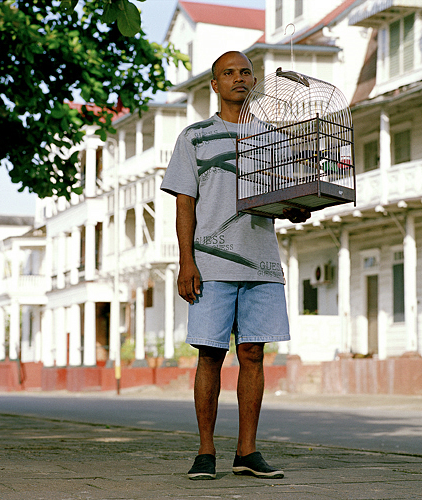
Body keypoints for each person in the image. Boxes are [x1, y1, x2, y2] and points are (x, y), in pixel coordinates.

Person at [160, 51, 310, 481]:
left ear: (254, 80)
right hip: (210, 263)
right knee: (210, 354)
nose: (238, 78)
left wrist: (295, 211)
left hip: (261, 262)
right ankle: (205, 451)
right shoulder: (194, 137)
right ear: (215, 84)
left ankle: (247, 452)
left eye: (245, 72)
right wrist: (186, 260)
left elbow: (277, 200)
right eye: (229, 73)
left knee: (253, 354)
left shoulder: (273, 138)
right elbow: (184, 203)